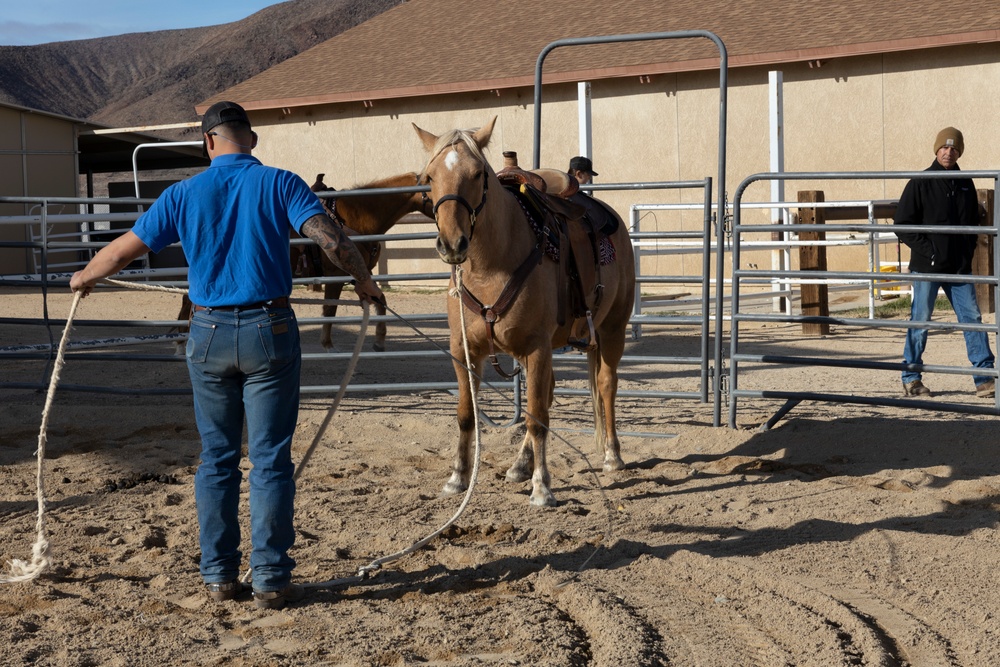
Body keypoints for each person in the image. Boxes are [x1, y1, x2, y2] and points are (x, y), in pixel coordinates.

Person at [69, 101, 384, 609]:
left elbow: (123, 250)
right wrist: (364, 281)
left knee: (216, 458)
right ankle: (272, 580)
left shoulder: (182, 193)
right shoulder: (282, 183)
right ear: (251, 140)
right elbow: (331, 240)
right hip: (270, 327)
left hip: (209, 330)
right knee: (270, 460)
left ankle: (218, 576)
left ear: (207, 143)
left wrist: (84, 277)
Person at [893, 126, 995, 398]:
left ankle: (985, 377)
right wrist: (930, 252)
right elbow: (902, 224)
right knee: (921, 319)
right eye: (944, 147)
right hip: (928, 266)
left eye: (954, 148)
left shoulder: (965, 183)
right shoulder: (920, 182)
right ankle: (911, 378)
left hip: (958, 267)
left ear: (959, 151)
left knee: (972, 319)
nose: (948, 152)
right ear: (936, 149)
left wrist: (966, 251)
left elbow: (973, 222)